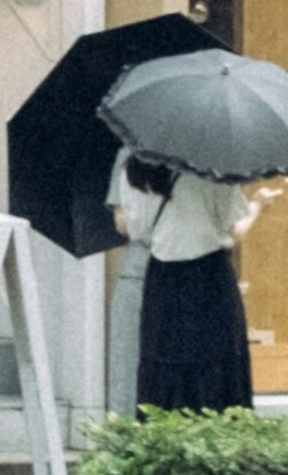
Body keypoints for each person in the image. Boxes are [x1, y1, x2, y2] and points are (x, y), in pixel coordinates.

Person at [109, 142, 262, 410]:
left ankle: (163, 438)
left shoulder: (134, 166)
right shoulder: (214, 167)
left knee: (161, 361)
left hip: (161, 275)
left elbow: (129, 227)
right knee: (217, 363)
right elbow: (234, 229)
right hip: (210, 276)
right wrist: (259, 205)